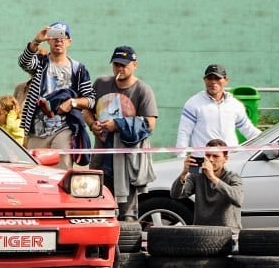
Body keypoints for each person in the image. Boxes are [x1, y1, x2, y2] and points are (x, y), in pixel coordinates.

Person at [84, 45, 157, 221]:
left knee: (127, 213)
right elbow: (87, 110)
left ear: (135, 65)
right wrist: (92, 124)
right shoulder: (101, 83)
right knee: (98, 205)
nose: (120, 68)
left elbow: (150, 123)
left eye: (124, 65)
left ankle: (127, 245)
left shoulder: (142, 90)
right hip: (102, 154)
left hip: (127, 158)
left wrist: (117, 124)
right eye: (116, 64)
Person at [18, 21, 94, 170]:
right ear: (49, 40)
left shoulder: (78, 69)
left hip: (64, 128)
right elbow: (24, 63)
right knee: (36, 174)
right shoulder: (41, 63)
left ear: (69, 42)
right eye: (54, 36)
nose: (59, 40)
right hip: (37, 130)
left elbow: (90, 100)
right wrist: (37, 41)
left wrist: (72, 103)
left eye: (63, 37)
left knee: (60, 174)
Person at [176, 64, 261, 155]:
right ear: (204, 80)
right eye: (210, 78)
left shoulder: (235, 104)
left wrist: (269, 145)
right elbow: (184, 132)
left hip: (230, 160)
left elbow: (249, 130)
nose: (213, 82)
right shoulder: (193, 103)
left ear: (226, 80)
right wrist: (181, 158)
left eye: (217, 78)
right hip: (203, 161)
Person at [170, 139, 244, 228]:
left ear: (225, 159)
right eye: (207, 155)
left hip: (228, 232)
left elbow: (238, 199)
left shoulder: (232, 177)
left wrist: (212, 177)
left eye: (215, 156)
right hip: (202, 231)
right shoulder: (196, 176)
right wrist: (184, 173)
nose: (210, 159)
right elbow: (175, 195)